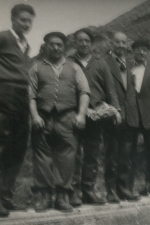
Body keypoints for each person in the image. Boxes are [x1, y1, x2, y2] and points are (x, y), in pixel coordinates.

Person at [29, 32, 90, 213]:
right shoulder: (36, 67)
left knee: (67, 157)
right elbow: (31, 95)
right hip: (43, 118)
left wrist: (81, 115)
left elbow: (84, 92)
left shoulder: (74, 68)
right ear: (46, 46)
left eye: (59, 45)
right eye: (52, 44)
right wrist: (34, 116)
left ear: (64, 47)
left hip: (67, 118)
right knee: (42, 157)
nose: (56, 48)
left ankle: (63, 195)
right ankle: (45, 196)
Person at [69, 28, 121, 206]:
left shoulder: (100, 63)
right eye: (80, 40)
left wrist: (116, 110)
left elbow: (110, 89)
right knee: (74, 154)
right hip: (75, 114)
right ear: (75, 43)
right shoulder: (68, 63)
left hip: (97, 115)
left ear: (91, 44)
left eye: (87, 41)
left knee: (92, 154)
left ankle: (88, 191)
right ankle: (73, 193)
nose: (83, 44)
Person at [118, 39, 150, 200]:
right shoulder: (126, 69)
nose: (141, 52)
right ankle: (127, 188)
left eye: (144, 50)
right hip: (130, 116)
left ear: (148, 52)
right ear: (133, 52)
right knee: (127, 153)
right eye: (138, 50)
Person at [0, 4, 36, 217]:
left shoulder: (26, 46)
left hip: (22, 98)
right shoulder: (3, 38)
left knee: (19, 147)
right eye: (23, 19)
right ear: (12, 19)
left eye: (30, 21)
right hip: (4, 95)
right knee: (2, 144)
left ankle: (5, 195)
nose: (27, 24)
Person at [104, 32, 141, 202]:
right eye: (117, 42)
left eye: (123, 43)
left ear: (127, 45)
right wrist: (112, 110)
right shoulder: (104, 62)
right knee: (111, 155)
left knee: (125, 156)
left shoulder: (130, 65)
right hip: (113, 115)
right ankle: (111, 191)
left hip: (129, 118)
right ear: (111, 44)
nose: (120, 45)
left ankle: (123, 189)